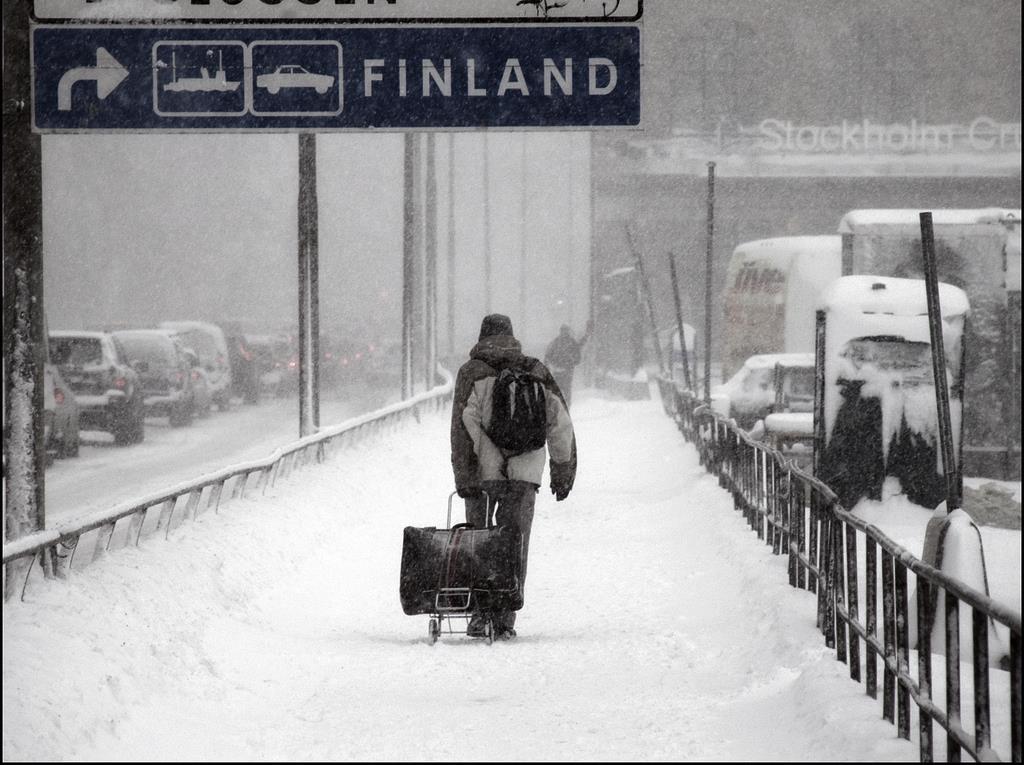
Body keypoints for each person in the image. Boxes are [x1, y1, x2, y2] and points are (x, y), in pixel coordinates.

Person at [451, 313, 577, 640]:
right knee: (514, 543)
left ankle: (480, 614)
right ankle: (505, 615)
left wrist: (464, 475)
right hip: (525, 475)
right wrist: (563, 470)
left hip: (483, 473)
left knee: (479, 540)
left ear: (481, 337)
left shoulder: (471, 372)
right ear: (512, 336)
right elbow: (559, 423)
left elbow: (461, 428)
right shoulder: (535, 370)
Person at [543, 320, 592, 408]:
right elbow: (579, 347)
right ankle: (565, 407)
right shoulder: (570, 341)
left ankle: (559, 407)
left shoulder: (556, 342)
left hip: (559, 370)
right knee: (566, 390)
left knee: (558, 390)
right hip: (566, 370)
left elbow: (548, 355)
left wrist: (548, 366)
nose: (565, 332)